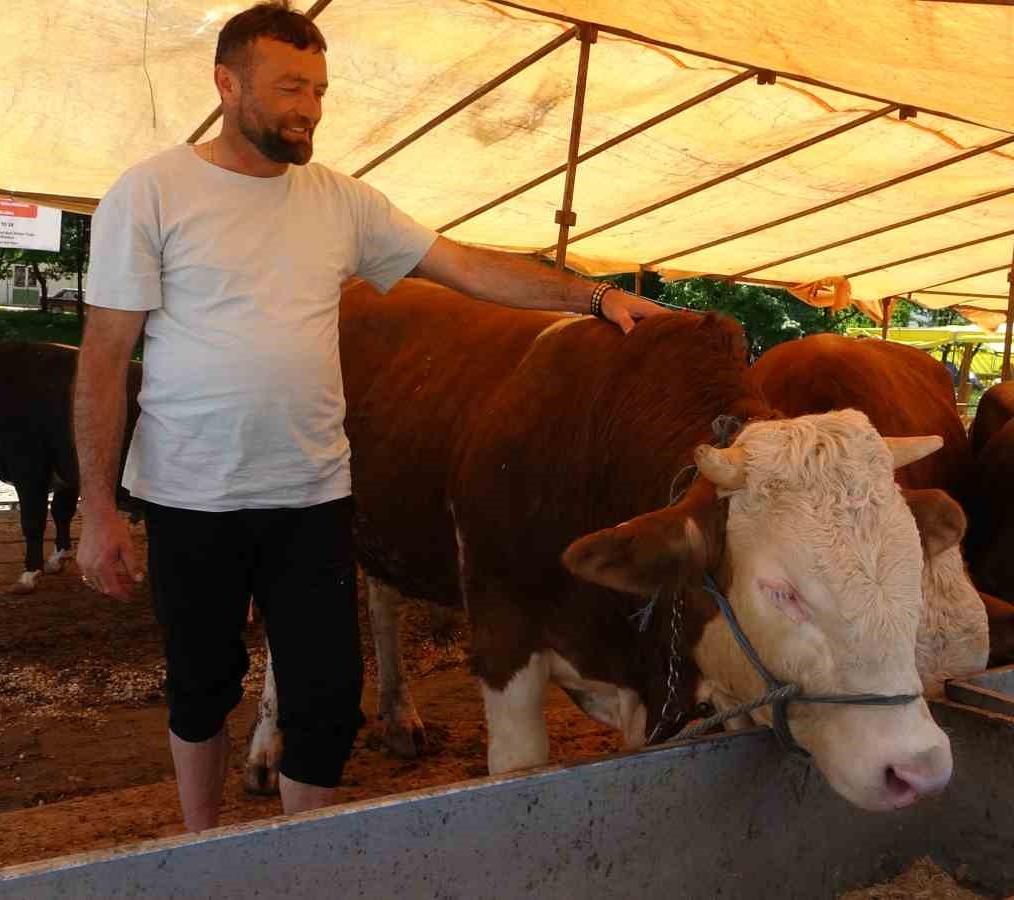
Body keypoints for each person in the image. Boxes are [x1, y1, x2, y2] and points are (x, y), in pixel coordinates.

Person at [74, 2, 668, 833]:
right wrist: (97, 508)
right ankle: (198, 848)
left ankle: (299, 863)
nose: (309, 108)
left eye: (318, 90)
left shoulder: (341, 203)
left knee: (325, 701)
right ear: (226, 84)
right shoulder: (150, 193)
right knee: (201, 682)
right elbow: (104, 354)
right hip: (190, 493)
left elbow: (463, 267)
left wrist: (592, 297)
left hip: (312, 495)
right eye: (289, 87)